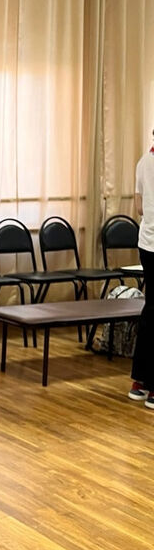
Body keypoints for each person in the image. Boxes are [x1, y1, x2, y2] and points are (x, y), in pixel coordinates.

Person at [128, 128, 154, 408]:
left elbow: (139, 207)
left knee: (150, 310)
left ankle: (140, 382)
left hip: (147, 245)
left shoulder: (143, 162)